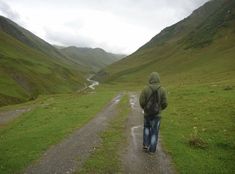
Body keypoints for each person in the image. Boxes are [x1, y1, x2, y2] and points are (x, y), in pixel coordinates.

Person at [139, 72, 168, 153]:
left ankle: (145, 145)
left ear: (150, 79)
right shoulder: (162, 89)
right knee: (154, 131)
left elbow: (141, 101)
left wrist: (145, 108)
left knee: (146, 128)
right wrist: (160, 109)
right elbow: (165, 103)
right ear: (158, 78)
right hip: (157, 115)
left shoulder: (145, 89)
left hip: (147, 114)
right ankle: (152, 150)